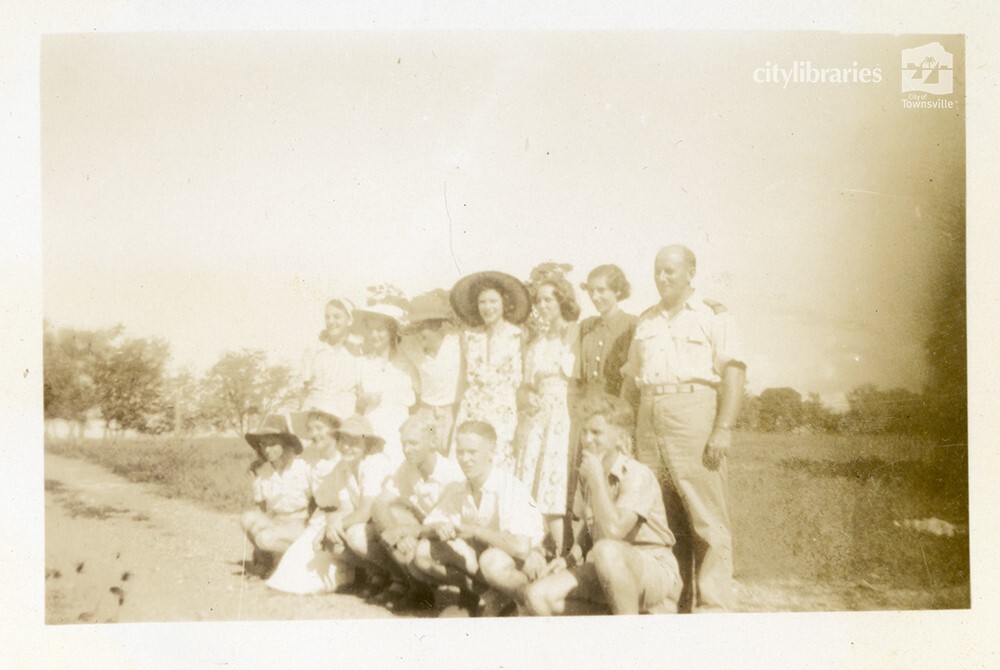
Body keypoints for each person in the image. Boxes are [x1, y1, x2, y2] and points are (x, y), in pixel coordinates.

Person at [620, 245, 746, 613]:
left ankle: (713, 606)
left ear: (690, 272)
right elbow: (630, 380)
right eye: (657, 270)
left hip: (693, 412)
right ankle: (668, 600)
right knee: (658, 514)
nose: (662, 278)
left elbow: (734, 373)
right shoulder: (647, 320)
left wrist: (723, 428)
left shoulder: (713, 315)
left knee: (706, 514)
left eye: (670, 271)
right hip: (648, 413)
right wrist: (625, 428)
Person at [522, 394, 682, 616]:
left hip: (652, 567)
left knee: (607, 550)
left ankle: (632, 632)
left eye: (596, 432)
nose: (587, 439)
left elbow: (614, 532)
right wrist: (569, 559)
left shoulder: (636, 474)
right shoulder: (589, 473)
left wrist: (597, 480)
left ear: (619, 437)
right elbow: (589, 532)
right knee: (538, 595)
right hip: (606, 569)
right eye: (585, 431)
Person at [412, 420, 546, 617]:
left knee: (491, 560)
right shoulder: (458, 488)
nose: (465, 459)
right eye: (460, 452)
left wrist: (475, 531)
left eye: (472, 452)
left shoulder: (509, 487)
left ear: (491, 452)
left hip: (525, 562)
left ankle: (525, 606)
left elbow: (521, 548)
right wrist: (437, 527)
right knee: (424, 551)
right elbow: (424, 528)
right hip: (486, 561)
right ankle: (491, 597)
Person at [265, 415, 396, 595]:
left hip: (390, 523)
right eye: (343, 441)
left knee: (354, 535)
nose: (347, 447)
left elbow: (365, 511)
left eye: (354, 442)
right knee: (332, 544)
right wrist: (327, 528)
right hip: (368, 523)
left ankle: (399, 578)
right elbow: (346, 506)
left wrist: (334, 525)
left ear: (367, 445)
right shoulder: (344, 466)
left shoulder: (373, 464)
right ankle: (379, 575)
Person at [369, 415, 466, 610]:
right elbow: (379, 503)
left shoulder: (453, 474)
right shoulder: (407, 467)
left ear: (433, 443)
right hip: (426, 530)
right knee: (387, 521)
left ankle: (457, 595)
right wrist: (396, 534)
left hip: (450, 536)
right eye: (404, 443)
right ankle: (418, 588)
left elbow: (451, 527)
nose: (407, 449)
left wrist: (407, 532)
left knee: (413, 546)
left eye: (413, 443)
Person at [513, 277, 580, 557]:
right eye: (538, 300)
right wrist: (527, 396)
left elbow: (579, 378)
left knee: (556, 478)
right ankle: (536, 547)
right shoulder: (536, 343)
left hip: (564, 412)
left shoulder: (575, 334)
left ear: (562, 301)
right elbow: (526, 385)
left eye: (548, 299)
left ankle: (565, 552)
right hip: (539, 416)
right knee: (532, 476)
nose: (542, 306)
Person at [449, 271, 531, 468]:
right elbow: (462, 379)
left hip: (503, 412)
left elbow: (525, 381)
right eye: (482, 302)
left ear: (504, 303)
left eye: (493, 301)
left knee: (498, 464)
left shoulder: (518, 335)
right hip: (472, 410)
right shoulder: (469, 337)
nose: (488, 307)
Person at [240, 414, 313, 576]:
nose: (267, 450)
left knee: (266, 539)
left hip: (300, 522)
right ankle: (266, 560)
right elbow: (261, 509)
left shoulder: (303, 468)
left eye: (273, 444)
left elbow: (316, 502)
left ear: (286, 444)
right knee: (247, 518)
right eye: (264, 444)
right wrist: (258, 549)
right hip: (277, 520)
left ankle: (289, 562)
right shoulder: (263, 472)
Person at [356, 303, 419, 464]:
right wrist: (364, 399)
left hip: (399, 430)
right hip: (372, 428)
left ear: (391, 332)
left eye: (379, 330)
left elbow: (418, 402)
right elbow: (356, 404)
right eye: (371, 329)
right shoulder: (362, 364)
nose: (374, 334)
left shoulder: (408, 363)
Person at [400, 301, 463, 455]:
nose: (418, 333)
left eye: (423, 327)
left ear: (438, 326)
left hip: (452, 413)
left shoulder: (457, 344)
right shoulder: (410, 347)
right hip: (425, 412)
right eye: (416, 327)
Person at [578, 264, 638, 398]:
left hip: (620, 410)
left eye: (601, 290)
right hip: (589, 408)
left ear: (617, 291)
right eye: (591, 291)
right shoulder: (586, 327)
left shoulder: (633, 325)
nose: (594, 297)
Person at [300, 297, 362, 421]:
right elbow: (304, 390)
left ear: (349, 320)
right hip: (314, 415)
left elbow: (361, 392)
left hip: (344, 416)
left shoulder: (359, 353)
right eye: (327, 317)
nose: (331, 321)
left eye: (337, 317)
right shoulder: (313, 350)